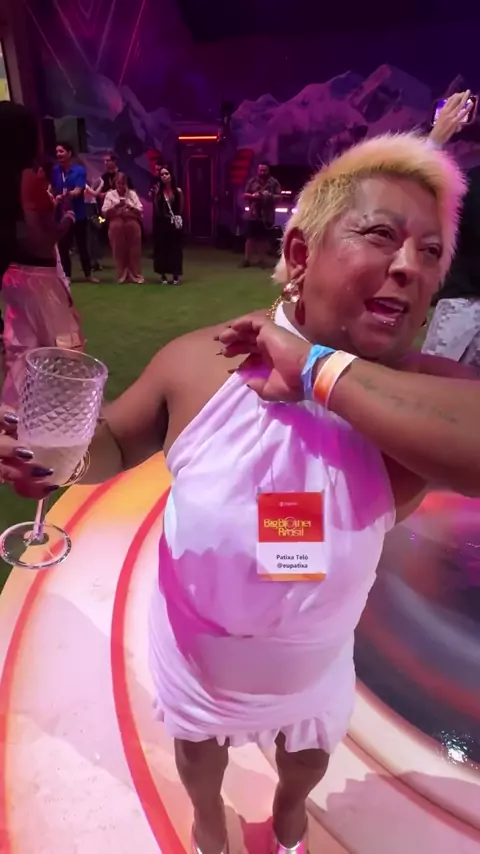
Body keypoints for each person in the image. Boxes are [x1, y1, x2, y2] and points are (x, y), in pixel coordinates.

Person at [4, 134, 480, 854]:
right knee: (198, 753)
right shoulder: (203, 363)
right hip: (196, 652)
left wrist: (315, 370)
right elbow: (117, 443)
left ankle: (289, 814)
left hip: (314, 663)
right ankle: (208, 822)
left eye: (431, 251)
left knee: (307, 757)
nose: (410, 265)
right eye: (382, 235)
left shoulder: (421, 399)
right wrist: (59, 458)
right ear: (300, 255)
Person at [0, 103, 84, 409]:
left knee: (22, 349)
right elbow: (41, 236)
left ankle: (15, 415)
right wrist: (66, 223)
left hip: (12, 274)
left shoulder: (7, 177)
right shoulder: (28, 178)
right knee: (65, 347)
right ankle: (68, 414)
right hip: (38, 278)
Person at [422, 90, 480, 370]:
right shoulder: (469, 183)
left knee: (435, 385)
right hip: (461, 304)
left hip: (461, 307)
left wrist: (435, 140)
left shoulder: (468, 182)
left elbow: (412, 192)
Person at [50, 141, 99, 284]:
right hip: (61, 216)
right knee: (63, 246)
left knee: (82, 245)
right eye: (57, 152)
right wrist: (53, 197)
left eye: (61, 151)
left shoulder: (79, 171)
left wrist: (67, 195)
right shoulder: (55, 171)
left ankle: (88, 274)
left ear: (69, 153)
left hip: (78, 215)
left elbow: (78, 190)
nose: (59, 154)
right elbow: (52, 189)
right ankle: (67, 276)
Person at [102, 172, 144, 283]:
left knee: (134, 249)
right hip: (116, 223)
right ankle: (121, 274)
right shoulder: (110, 195)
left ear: (126, 183)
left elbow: (140, 210)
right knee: (118, 248)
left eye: (123, 183)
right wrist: (116, 207)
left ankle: (135, 274)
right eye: (118, 183)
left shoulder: (132, 194)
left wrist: (130, 207)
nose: (120, 186)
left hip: (131, 222)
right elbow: (104, 213)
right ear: (115, 183)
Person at [243, 162, 282, 268]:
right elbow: (245, 195)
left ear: (268, 170)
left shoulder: (274, 183)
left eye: (264, 170)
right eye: (260, 170)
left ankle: (262, 260)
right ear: (258, 170)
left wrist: (269, 196)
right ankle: (247, 260)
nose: (262, 172)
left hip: (266, 215)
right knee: (250, 238)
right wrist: (253, 195)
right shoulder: (252, 181)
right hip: (253, 214)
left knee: (263, 239)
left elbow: (279, 197)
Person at [152, 165, 184, 285]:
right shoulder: (158, 192)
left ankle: (176, 275)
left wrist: (176, 218)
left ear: (171, 175)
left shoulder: (178, 191)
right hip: (162, 224)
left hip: (173, 224)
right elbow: (157, 208)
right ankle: (163, 275)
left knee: (175, 249)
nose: (164, 176)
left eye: (166, 173)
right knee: (162, 249)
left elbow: (181, 207)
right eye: (162, 174)